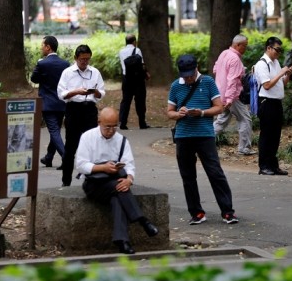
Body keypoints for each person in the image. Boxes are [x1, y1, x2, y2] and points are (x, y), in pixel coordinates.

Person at [167, 54, 239, 225]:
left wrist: (201, 113)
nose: (189, 78)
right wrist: (179, 114)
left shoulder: (207, 82)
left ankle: (227, 212)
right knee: (188, 175)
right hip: (183, 136)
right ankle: (197, 212)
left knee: (215, 173)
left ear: (196, 67)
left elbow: (219, 107)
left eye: (191, 74)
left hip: (204, 135)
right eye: (185, 75)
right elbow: (169, 111)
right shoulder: (176, 85)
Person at [75, 107, 158, 254]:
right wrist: (102, 168)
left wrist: (129, 180)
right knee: (118, 188)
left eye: (115, 126)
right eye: (108, 127)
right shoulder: (87, 137)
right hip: (94, 184)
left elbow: (130, 164)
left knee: (118, 196)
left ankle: (122, 241)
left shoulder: (121, 140)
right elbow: (80, 164)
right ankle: (142, 220)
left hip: (114, 181)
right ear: (99, 122)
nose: (111, 130)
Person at [57, 44, 106, 187]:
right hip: (73, 109)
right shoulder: (67, 72)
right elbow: (61, 94)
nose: (85, 62)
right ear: (76, 58)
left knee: (93, 145)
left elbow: (101, 92)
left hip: (89, 109)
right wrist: (76, 91)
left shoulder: (95, 72)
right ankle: (66, 181)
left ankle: (93, 180)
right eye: (82, 59)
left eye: (87, 59)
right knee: (70, 147)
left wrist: (95, 92)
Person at [254, 36, 292, 175]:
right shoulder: (262, 64)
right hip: (266, 102)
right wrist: (281, 73)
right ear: (268, 48)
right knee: (266, 135)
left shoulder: (276, 62)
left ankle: (273, 165)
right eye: (277, 49)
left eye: (280, 50)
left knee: (275, 135)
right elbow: (266, 85)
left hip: (277, 102)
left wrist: (287, 75)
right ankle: (264, 166)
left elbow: (281, 84)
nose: (279, 52)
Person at [30, 35, 70, 170]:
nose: (41, 47)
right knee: (56, 131)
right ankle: (48, 158)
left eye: (43, 45)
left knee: (54, 131)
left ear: (48, 47)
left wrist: (41, 71)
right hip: (62, 102)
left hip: (47, 103)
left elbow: (34, 79)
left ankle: (66, 157)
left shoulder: (42, 63)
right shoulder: (65, 64)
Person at [212, 34, 256, 156]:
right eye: (245, 46)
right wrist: (230, 98)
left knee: (221, 121)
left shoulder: (224, 53)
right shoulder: (235, 59)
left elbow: (215, 69)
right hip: (232, 96)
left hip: (220, 93)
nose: (245, 48)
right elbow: (232, 80)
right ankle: (244, 148)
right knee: (245, 119)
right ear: (237, 45)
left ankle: (200, 141)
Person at [118, 34, 151, 130]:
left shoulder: (121, 51)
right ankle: (142, 123)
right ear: (134, 42)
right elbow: (142, 65)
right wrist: (146, 74)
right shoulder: (137, 50)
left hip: (126, 79)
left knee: (125, 101)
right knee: (140, 101)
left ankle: (123, 123)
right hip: (138, 80)